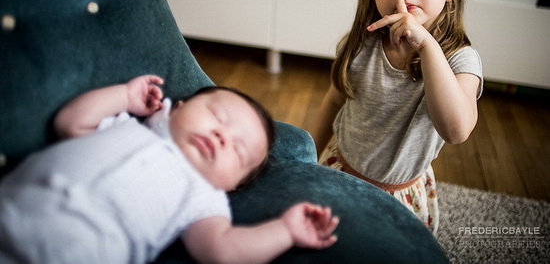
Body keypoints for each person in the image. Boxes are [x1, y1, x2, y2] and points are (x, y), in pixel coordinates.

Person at [0, 75, 339, 264]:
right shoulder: (126, 126)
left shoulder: (203, 197)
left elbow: (222, 250)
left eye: (238, 150)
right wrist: (124, 96)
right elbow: (70, 122)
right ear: (175, 108)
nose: (222, 136)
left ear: (232, 185)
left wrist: (285, 231)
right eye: (218, 117)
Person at [310, 0, 483, 235]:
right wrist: (307, 157)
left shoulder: (461, 59)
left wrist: (428, 46)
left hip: (400, 194)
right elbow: (335, 99)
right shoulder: (360, 43)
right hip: (339, 169)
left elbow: (457, 130)